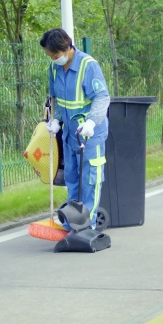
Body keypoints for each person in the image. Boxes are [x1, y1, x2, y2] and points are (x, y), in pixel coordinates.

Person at [40, 28, 110, 230]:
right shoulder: (54, 68)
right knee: (72, 178)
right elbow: (56, 100)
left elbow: (101, 98)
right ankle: (73, 222)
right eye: (50, 56)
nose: (53, 59)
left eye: (55, 55)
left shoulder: (88, 66)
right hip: (70, 134)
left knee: (90, 179)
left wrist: (91, 122)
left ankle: (88, 226)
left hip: (89, 135)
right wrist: (55, 121)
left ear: (67, 47)